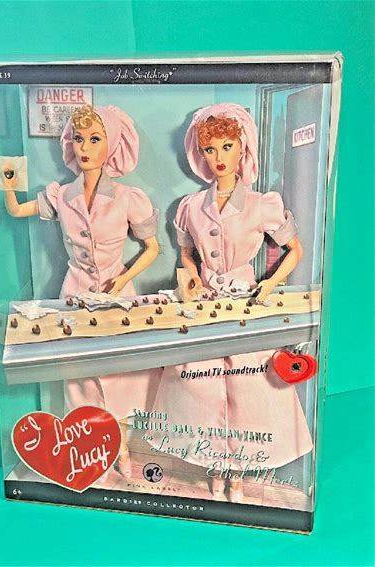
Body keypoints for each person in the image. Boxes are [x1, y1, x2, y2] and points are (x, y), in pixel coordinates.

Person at [149, 103, 313, 502]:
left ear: (243, 148)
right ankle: (213, 462)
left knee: (248, 390)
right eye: (210, 149)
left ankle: (238, 470)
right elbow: (186, 254)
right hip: (205, 303)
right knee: (199, 387)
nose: (219, 157)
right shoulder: (190, 207)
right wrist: (189, 276)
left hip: (244, 301)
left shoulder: (262, 204)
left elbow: (295, 250)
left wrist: (270, 283)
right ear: (201, 154)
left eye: (227, 146)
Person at [3, 104, 161, 477]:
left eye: (94, 139)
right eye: (79, 139)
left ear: (111, 144)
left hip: (117, 295)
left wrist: (123, 277)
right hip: (74, 292)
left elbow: (152, 248)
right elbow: (16, 211)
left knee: (121, 374)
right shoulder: (62, 194)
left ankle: (122, 446)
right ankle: (92, 448)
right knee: (79, 375)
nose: (85, 148)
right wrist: (7, 181)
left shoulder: (127, 197)